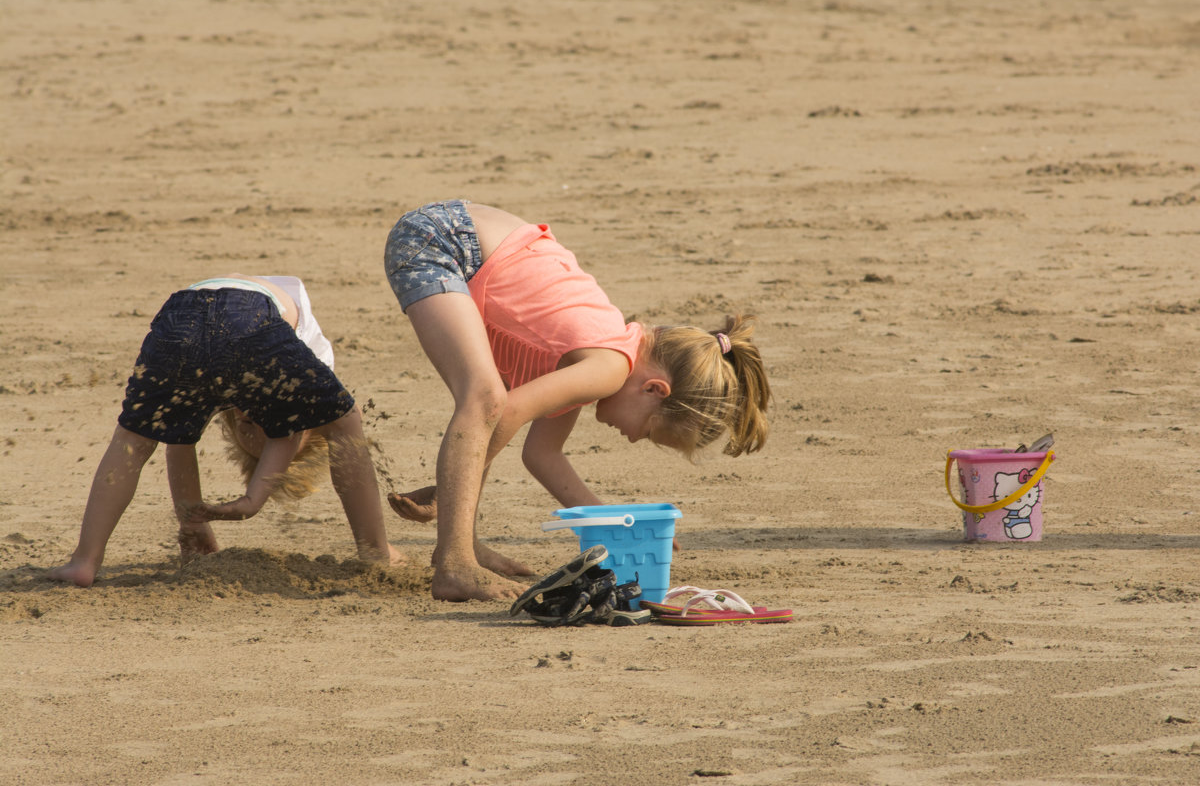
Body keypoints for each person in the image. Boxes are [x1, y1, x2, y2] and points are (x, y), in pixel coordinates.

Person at [383, 200, 770, 602]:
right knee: (485, 399)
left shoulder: (591, 359)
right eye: (651, 431)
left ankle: (463, 547)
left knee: (486, 403)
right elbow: (506, 413)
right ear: (655, 389)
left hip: (463, 239)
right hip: (445, 239)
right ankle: (455, 561)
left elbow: (542, 455)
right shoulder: (608, 367)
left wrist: (615, 527)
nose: (634, 439)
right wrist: (448, 495)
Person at [48, 274, 402, 587]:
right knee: (346, 419)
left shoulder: (230, 396)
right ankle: (375, 551)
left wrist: (192, 522)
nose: (256, 425)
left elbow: (179, 442)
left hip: (179, 316)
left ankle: (85, 560)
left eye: (253, 436)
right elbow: (286, 433)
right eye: (257, 431)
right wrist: (252, 500)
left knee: (133, 440)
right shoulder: (313, 365)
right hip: (245, 313)